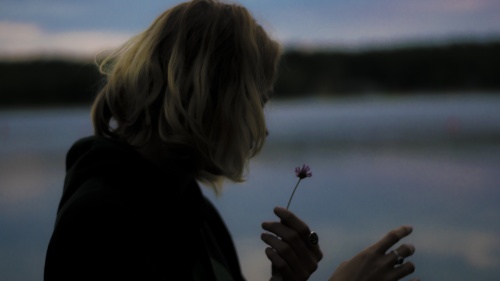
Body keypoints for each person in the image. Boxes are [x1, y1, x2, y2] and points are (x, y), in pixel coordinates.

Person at [43, 0, 418, 280]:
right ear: (211, 96)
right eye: (259, 100)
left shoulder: (195, 212)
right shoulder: (97, 224)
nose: (263, 128)